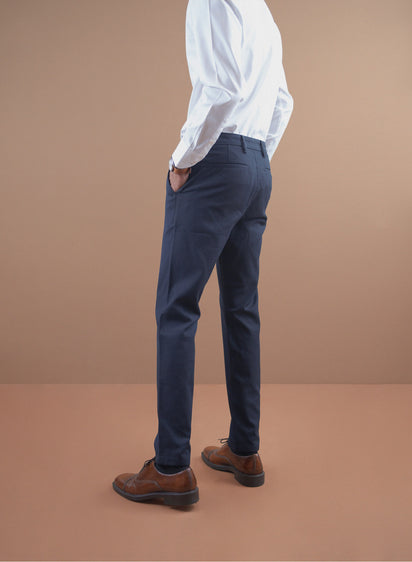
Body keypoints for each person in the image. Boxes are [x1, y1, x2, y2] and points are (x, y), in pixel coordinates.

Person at [113, 0, 294, 506]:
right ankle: (244, 449)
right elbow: (282, 101)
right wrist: (254, 159)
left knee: (177, 308)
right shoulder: (261, 11)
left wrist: (182, 158)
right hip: (256, 163)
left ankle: (171, 467)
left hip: (215, 161)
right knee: (241, 309)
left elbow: (221, 89)